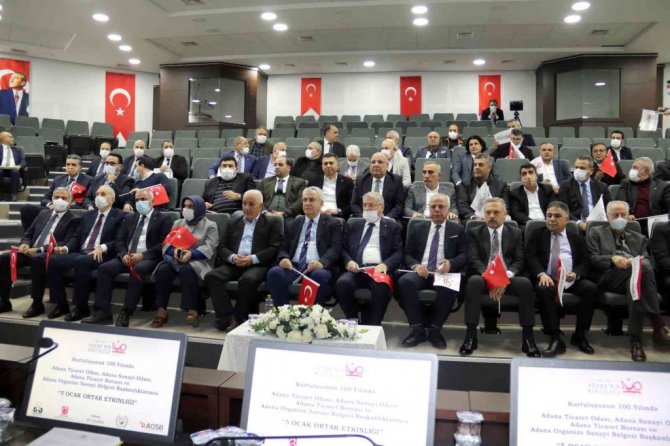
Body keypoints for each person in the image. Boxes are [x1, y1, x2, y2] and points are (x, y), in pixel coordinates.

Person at [586, 200, 670, 361]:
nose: (619, 217)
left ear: (628, 216)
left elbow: (649, 261)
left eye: (622, 214)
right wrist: (612, 259)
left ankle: (636, 340)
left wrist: (634, 264)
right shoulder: (596, 232)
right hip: (608, 276)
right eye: (615, 215)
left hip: (634, 277)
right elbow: (592, 259)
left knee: (636, 284)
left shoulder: (639, 237)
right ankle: (657, 321)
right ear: (608, 217)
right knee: (642, 269)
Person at [459, 198, 540, 357]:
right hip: (484, 276)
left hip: (507, 277)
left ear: (505, 215)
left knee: (525, 283)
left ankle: (528, 339)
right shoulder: (475, 232)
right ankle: (470, 337)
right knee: (473, 282)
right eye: (488, 212)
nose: (491, 216)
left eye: (496, 212)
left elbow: (519, 260)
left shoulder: (515, 233)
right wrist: (492, 278)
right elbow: (474, 260)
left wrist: (504, 278)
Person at [82, 189, 173, 326]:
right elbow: (119, 240)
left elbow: (163, 244)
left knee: (138, 269)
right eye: (137, 200)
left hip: (149, 258)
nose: (140, 202)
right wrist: (123, 254)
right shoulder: (129, 218)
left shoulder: (163, 219)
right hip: (127, 256)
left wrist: (143, 255)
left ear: (153, 201)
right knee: (105, 268)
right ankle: (102, 312)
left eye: (143, 199)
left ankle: (126, 311)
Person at [525, 201, 597, 357]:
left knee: (590, 288)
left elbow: (585, 262)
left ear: (566, 219)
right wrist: (541, 274)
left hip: (570, 280)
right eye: (549, 215)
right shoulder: (538, 234)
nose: (551, 219)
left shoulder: (576, 238)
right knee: (543, 289)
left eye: (557, 216)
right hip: (548, 278)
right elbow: (531, 257)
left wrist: (576, 274)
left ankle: (580, 335)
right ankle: (555, 337)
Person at [204, 190, 282, 331]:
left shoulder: (272, 222)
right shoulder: (235, 221)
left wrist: (252, 259)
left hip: (257, 264)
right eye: (244, 203)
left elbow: (274, 249)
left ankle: (239, 318)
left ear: (260, 206)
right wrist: (232, 257)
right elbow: (222, 246)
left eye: (251, 204)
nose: (247, 207)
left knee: (247, 280)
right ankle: (226, 317)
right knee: (212, 276)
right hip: (235, 262)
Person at [398, 194, 467, 349]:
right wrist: (416, 265)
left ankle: (435, 331)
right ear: (428, 209)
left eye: (441, 207)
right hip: (421, 271)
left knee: (448, 286)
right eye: (433, 206)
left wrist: (451, 263)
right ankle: (417, 330)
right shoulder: (417, 227)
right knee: (405, 282)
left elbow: (463, 255)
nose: (436, 210)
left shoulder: (458, 229)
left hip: (443, 272)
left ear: (448, 209)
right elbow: (407, 254)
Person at [47, 186, 125, 321]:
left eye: (103, 194)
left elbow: (119, 239)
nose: (99, 197)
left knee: (82, 262)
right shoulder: (88, 215)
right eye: (97, 194)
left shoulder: (120, 216)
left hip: (103, 254)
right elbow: (76, 237)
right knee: (54, 261)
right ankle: (61, 304)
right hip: (82, 252)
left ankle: (81, 307)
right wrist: (65, 248)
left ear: (112, 199)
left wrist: (102, 247)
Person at [1, 188, 78, 317]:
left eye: (64, 198)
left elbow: (66, 242)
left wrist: (39, 249)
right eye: (56, 197)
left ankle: (37, 303)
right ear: (52, 199)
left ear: (71, 201)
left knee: (37, 259)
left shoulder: (74, 219)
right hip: (29, 251)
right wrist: (24, 244)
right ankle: (4, 301)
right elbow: (28, 233)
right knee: (5, 258)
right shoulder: (43, 214)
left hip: (49, 253)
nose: (59, 200)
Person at [266, 187, 342, 306]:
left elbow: (335, 248)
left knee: (319, 275)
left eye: (311, 200)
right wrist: (283, 258)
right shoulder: (294, 222)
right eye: (305, 200)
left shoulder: (333, 223)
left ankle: (311, 314)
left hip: (317, 267)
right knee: (275, 273)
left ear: (321, 203)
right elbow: (283, 247)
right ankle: (282, 313)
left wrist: (322, 263)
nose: (307, 203)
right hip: (294, 267)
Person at [336, 192, 402, 325]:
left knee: (381, 287)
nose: (367, 209)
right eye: (365, 205)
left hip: (378, 270)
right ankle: (353, 320)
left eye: (371, 205)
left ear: (381, 207)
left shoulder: (392, 226)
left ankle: (374, 324)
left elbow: (399, 252)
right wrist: (348, 261)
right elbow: (342, 248)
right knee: (342, 283)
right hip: (357, 269)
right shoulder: (353, 224)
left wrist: (385, 265)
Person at [152, 196, 218, 328]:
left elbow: (210, 247)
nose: (186, 209)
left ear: (199, 208)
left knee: (187, 270)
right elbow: (167, 244)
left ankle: (192, 310)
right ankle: (161, 309)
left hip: (198, 261)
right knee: (163, 270)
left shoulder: (210, 225)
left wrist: (191, 254)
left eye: (190, 206)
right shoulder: (178, 223)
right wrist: (174, 251)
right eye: (185, 206)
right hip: (176, 260)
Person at [20, 154, 92, 229]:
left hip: (73, 209)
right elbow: (45, 198)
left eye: (73, 165)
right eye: (68, 164)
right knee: (26, 209)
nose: (70, 167)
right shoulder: (58, 179)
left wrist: (86, 205)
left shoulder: (89, 180)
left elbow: (88, 199)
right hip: (54, 208)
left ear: (80, 168)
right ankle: (31, 235)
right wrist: (50, 205)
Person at [615, 157, 670, 234]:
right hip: (632, 224)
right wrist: (627, 214)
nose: (632, 170)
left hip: (655, 225)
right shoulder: (626, 184)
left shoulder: (662, 186)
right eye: (632, 167)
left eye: (635, 167)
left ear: (646, 171)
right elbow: (620, 202)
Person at [557, 156, 609, 232]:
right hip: (575, 225)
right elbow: (563, 209)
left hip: (598, 225)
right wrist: (579, 223)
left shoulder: (601, 187)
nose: (578, 170)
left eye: (582, 168)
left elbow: (609, 207)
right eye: (576, 167)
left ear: (591, 171)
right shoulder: (565, 186)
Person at [350, 152, 405, 220]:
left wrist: (385, 219)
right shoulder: (361, 180)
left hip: (387, 219)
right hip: (364, 219)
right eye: (373, 162)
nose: (376, 165)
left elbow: (399, 206)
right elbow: (354, 204)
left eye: (380, 162)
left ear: (387, 166)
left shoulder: (396, 181)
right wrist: (364, 217)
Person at [456, 154, 509, 221]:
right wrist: (474, 217)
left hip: (495, 219)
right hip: (473, 221)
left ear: (489, 168)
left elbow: (505, 206)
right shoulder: (464, 184)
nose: (476, 167)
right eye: (475, 165)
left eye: (481, 165)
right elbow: (462, 205)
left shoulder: (501, 186)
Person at [261, 155, 307, 220]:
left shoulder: (300, 182)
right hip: (267, 216)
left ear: (289, 168)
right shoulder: (265, 182)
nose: (277, 167)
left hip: (289, 217)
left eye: (280, 165)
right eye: (275, 165)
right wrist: (265, 212)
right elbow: (258, 200)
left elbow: (300, 201)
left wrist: (285, 213)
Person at [509, 163, 555, 227]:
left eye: (530, 172)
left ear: (536, 176)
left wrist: (547, 221)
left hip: (547, 223)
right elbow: (516, 214)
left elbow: (553, 207)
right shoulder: (515, 193)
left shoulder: (547, 189)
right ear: (521, 178)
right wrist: (532, 224)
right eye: (524, 174)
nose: (528, 176)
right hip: (526, 225)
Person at [313, 153, 354, 219]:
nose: (328, 165)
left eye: (331, 163)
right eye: (325, 163)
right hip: (318, 215)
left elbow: (352, 204)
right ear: (322, 166)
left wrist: (338, 211)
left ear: (338, 166)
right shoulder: (314, 181)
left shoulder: (347, 182)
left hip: (338, 217)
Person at [0, 131, 26, 201]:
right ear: (4, 138)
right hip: (1, 169)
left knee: (15, 172)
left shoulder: (18, 150)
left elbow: (23, 161)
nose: (13, 138)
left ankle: (13, 195)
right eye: (11, 137)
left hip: (13, 169)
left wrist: (19, 166)